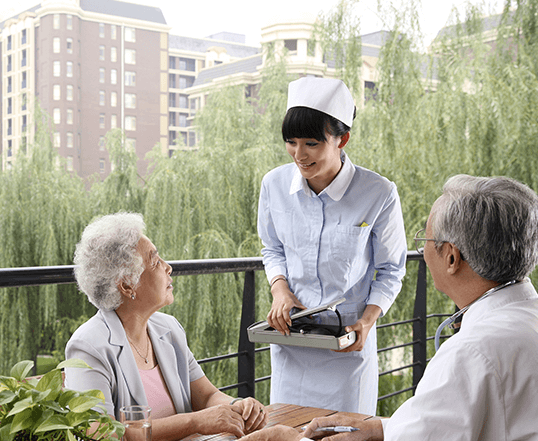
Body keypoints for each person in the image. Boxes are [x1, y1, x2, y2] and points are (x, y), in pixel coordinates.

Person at [252, 175, 538, 441]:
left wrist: (292, 440)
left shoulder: (470, 353)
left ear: (451, 258)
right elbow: (442, 424)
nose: (422, 251)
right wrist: (381, 427)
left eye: (425, 240)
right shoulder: (524, 320)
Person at [257, 77, 406, 414]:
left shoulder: (378, 193)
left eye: (311, 143)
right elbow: (273, 249)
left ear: (343, 139)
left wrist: (366, 322)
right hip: (291, 339)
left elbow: (391, 269)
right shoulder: (274, 184)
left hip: (347, 345)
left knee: (343, 432)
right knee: (286, 431)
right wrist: (279, 290)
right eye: (291, 142)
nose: (299, 154)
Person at [65, 212, 268, 441]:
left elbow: (207, 396)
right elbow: (100, 433)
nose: (168, 267)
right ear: (127, 285)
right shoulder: (88, 346)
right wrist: (195, 421)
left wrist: (236, 407)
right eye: (155, 261)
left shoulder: (168, 328)